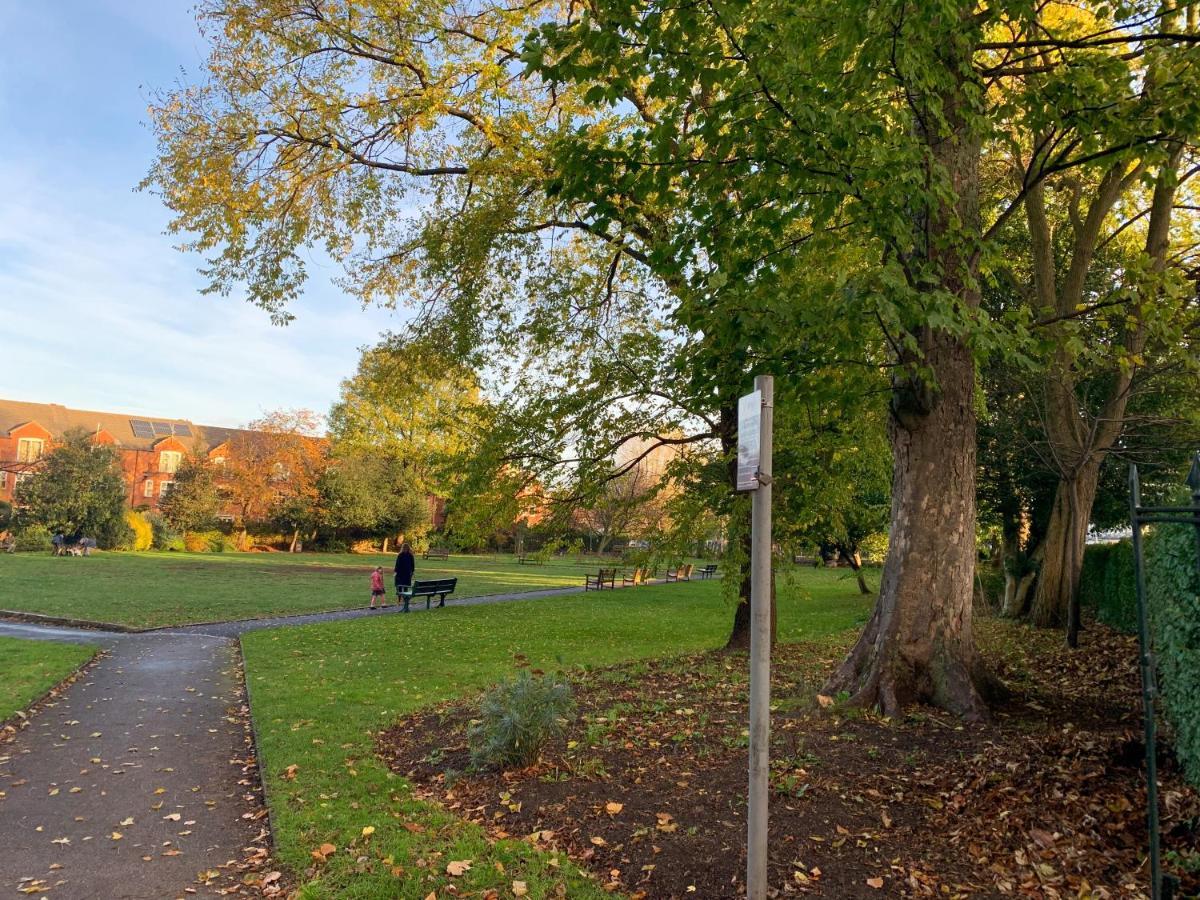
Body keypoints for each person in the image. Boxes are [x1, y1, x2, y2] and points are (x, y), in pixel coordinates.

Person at [394, 542, 416, 612]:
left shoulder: (400, 555)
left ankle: (399, 600)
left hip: (400, 574)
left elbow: (397, 564)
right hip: (407, 574)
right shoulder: (411, 555)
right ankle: (404, 599)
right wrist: (411, 572)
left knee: (400, 586)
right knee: (406, 586)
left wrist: (395, 571)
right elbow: (413, 565)